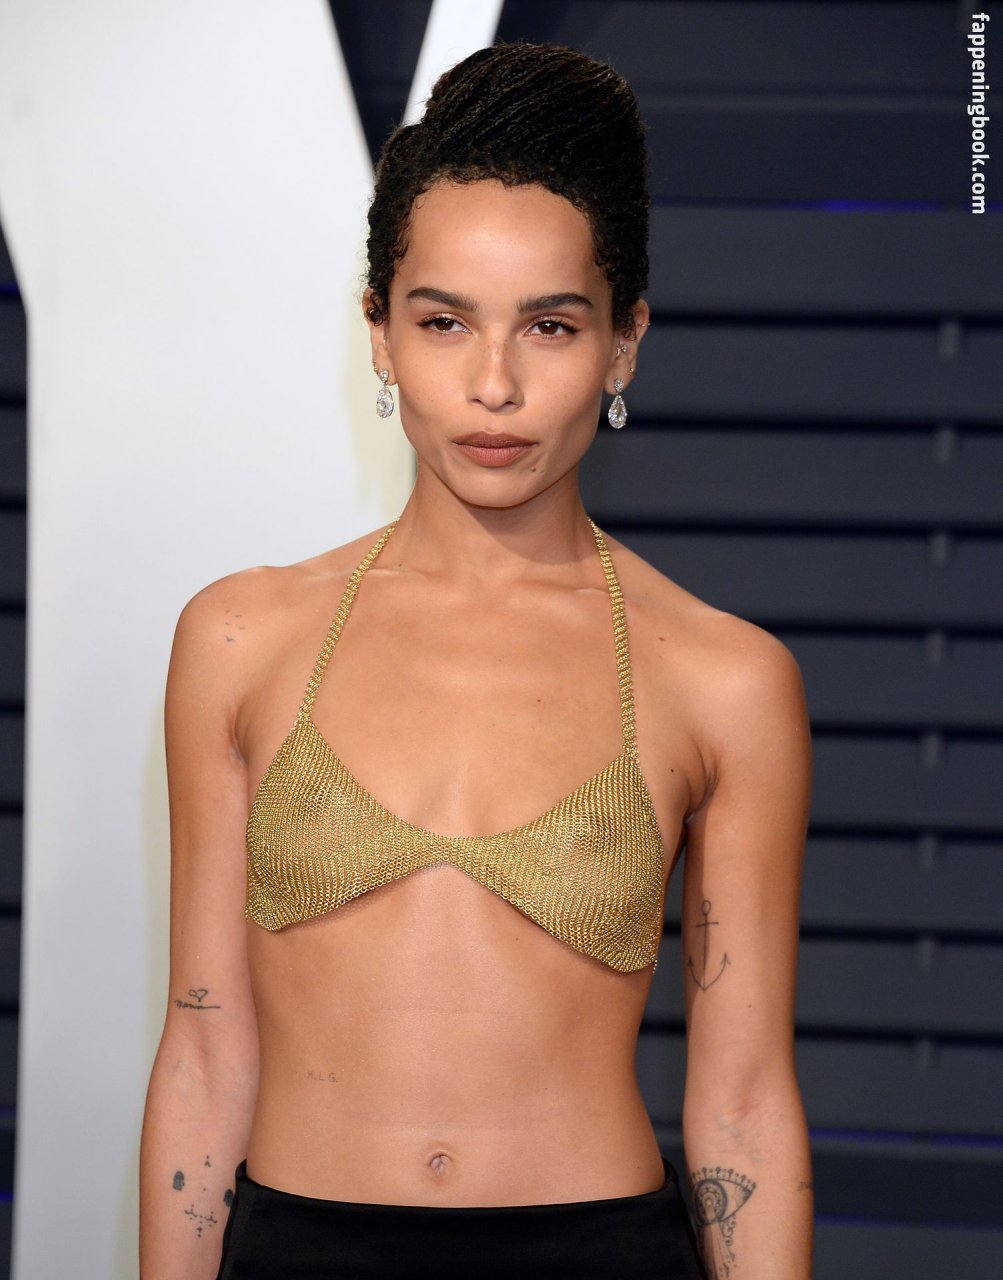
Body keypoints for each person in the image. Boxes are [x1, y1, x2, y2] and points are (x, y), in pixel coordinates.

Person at [139, 41, 813, 1280]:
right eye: (443, 321)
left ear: (623, 343)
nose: (493, 385)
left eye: (549, 326)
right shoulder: (239, 638)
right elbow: (202, 1046)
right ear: (380, 333)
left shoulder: (723, 678)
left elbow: (744, 1100)